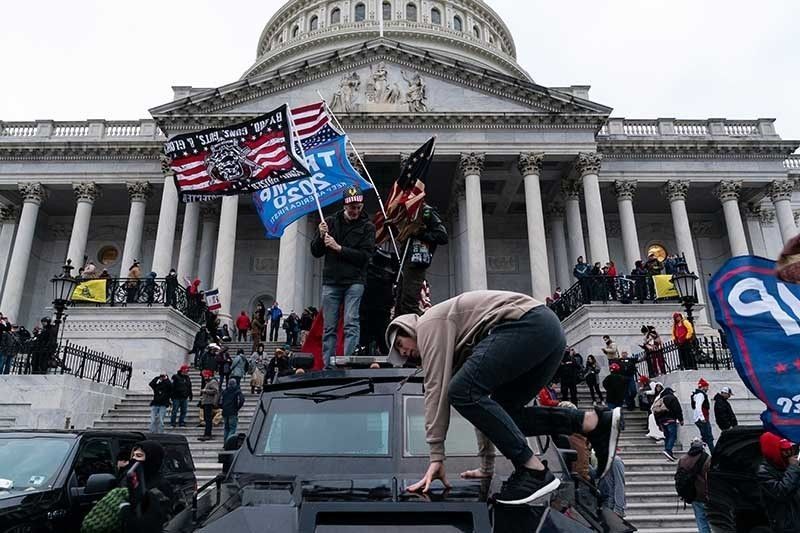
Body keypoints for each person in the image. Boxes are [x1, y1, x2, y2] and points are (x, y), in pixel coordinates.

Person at [385, 290, 621, 504]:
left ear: (407, 328)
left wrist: (436, 456)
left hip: (528, 325)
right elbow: (485, 412)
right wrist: (487, 466)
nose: (403, 353)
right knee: (504, 413)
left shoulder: (428, 324)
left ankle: (534, 471)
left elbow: (435, 391)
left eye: (400, 344)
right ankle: (592, 422)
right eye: (400, 355)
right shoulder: (457, 344)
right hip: (547, 333)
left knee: (459, 391)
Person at [311, 186, 376, 367]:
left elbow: (365, 257)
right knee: (329, 326)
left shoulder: (368, 227)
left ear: (361, 206)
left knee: (351, 322)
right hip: (332, 281)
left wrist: (339, 248)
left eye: (357, 207)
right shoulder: (330, 222)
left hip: (355, 281)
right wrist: (321, 235)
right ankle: (329, 364)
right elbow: (316, 251)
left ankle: (349, 363)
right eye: (351, 207)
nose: (354, 210)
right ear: (344, 205)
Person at [395, 203, 448, 316]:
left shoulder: (425, 212)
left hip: (417, 262)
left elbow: (442, 236)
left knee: (409, 303)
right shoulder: (406, 213)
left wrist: (420, 233)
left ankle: (418, 328)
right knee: (400, 301)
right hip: (405, 262)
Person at [757, 431, 800, 532]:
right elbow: (782, 492)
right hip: (787, 526)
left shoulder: (788, 466)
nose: (789, 453)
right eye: (785, 451)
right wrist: (793, 468)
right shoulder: (764, 472)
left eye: (790, 449)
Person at [675, 438, 711, 533]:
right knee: (711, 520)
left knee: (700, 519)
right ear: (702, 447)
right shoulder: (707, 459)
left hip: (692, 494)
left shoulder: (683, 459)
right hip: (706, 494)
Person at [654, 387, 684, 461]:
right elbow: (677, 409)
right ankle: (668, 450)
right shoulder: (672, 398)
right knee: (673, 436)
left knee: (667, 436)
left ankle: (669, 453)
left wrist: (658, 423)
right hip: (670, 420)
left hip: (662, 421)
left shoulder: (660, 400)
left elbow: (655, 412)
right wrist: (681, 419)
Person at [692, 379, 715, 453]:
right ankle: (714, 454)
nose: (707, 388)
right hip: (702, 419)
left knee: (705, 438)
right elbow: (698, 406)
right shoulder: (700, 395)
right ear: (703, 387)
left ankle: (700, 451)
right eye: (706, 387)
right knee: (709, 438)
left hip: (699, 419)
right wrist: (702, 417)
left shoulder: (697, 395)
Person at [220, 379, 245, 446]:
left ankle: (225, 443)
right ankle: (228, 443)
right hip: (233, 412)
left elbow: (220, 401)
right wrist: (237, 408)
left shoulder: (225, 391)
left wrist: (222, 407)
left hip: (225, 412)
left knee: (226, 428)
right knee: (232, 429)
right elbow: (242, 400)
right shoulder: (237, 391)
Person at [198, 372, 220, 441]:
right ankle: (206, 434)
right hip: (206, 402)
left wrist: (205, 391)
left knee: (208, 419)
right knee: (207, 419)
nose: (204, 377)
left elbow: (215, 391)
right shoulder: (209, 382)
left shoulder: (213, 382)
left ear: (209, 375)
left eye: (205, 376)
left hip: (209, 403)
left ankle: (208, 434)